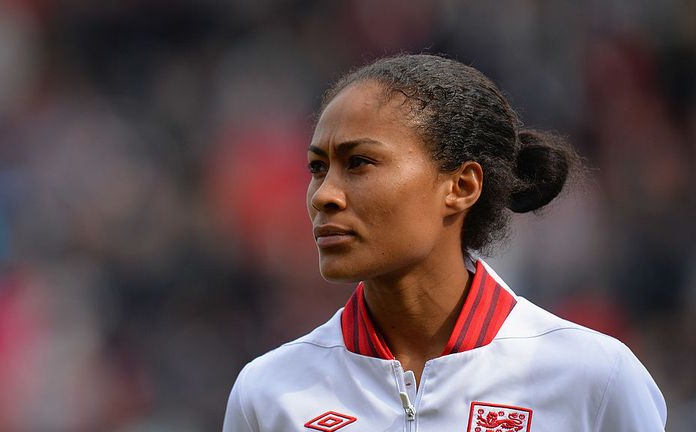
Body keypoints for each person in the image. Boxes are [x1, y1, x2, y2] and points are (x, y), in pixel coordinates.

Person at [222, 54, 666, 431]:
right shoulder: (266, 393)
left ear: (460, 186)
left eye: (359, 163)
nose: (324, 195)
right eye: (318, 168)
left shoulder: (593, 376)